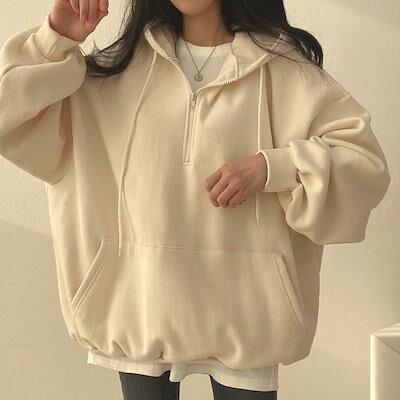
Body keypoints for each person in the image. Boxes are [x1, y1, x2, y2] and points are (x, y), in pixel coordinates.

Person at [0, 0, 391, 399]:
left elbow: (364, 165)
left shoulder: (284, 69)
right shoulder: (118, 70)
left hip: (248, 314)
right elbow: (8, 115)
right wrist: (56, 39)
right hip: (139, 307)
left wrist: (271, 167)